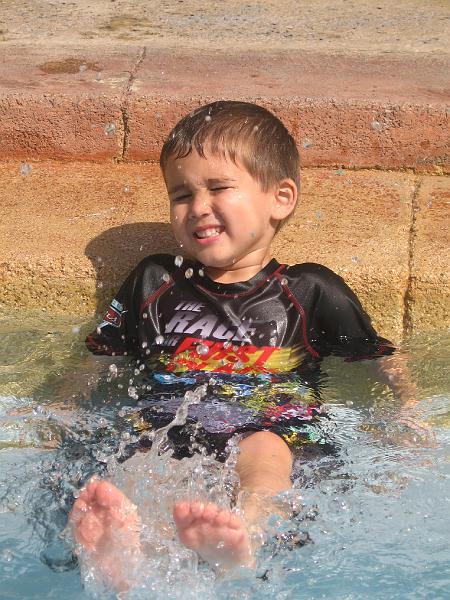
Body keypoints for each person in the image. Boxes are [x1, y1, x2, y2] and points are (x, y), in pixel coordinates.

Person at [69, 100, 419, 590]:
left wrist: (402, 419)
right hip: (172, 424)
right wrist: (61, 408)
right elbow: (100, 355)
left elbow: (378, 361)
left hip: (271, 426)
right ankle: (125, 552)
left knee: (266, 451)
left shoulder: (310, 291)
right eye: (181, 194)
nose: (197, 207)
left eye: (218, 187)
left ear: (280, 197)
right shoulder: (154, 279)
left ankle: (246, 535)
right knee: (143, 460)